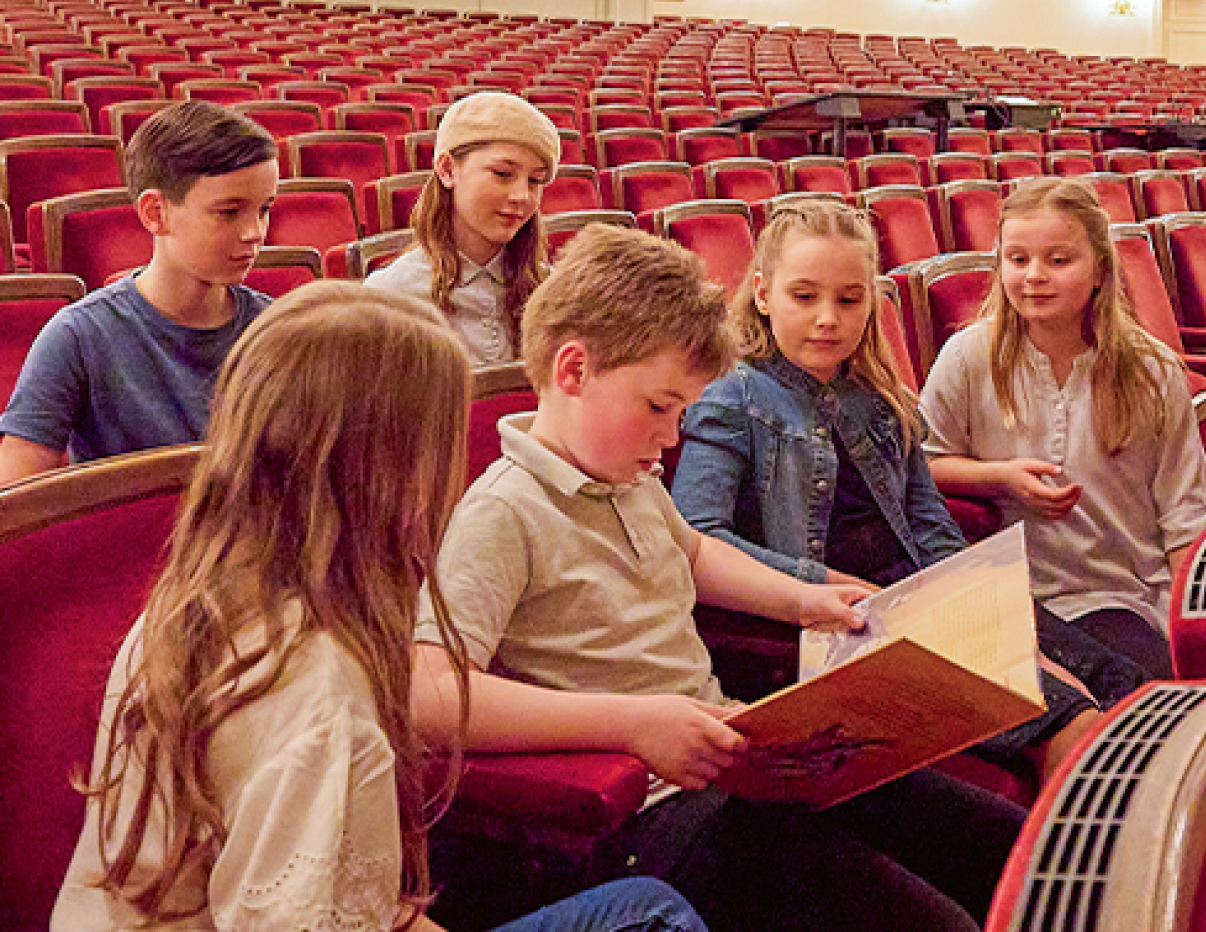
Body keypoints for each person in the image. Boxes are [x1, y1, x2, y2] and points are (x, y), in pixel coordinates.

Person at [411, 224, 1027, 932]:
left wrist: (806, 598)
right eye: (657, 407)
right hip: (643, 812)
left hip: (735, 760)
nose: (670, 438)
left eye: (678, 412)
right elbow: (428, 694)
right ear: (573, 371)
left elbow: (696, 556)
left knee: (1002, 844)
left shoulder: (627, 475)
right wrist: (633, 721)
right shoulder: (503, 511)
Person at [54, 280, 708, 932]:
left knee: (644, 907)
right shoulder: (319, 691)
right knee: (652, 916)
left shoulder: (191, 599)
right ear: (392, 472)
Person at [671, 196, 1114, 781]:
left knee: (1118, 684)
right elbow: (696, 537)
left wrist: (986, 611)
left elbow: (930, 525)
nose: (828, 317)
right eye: (804, 297)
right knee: (1071, 720)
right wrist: (819, 582)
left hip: (920, 600)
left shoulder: (877, 399)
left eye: (849, 299)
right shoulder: (733, 398)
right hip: (833, 624)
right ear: (761, 294)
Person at [919, 177, 1206, 681]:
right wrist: (999, 478)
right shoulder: (968, 356)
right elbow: (921, 466)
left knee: (1151, 707)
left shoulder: (1153, 369)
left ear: (1100, 270)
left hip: (1120, 596)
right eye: (1017, 260)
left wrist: (1189, 629)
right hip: (1010, 599)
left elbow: (1185, 516)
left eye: (1058, 261)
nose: (1034, 276)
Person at [0, 100, 279, 486]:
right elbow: (19, 501)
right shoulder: (78, 337)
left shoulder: (276, 331)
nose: (255, 232)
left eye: (264, 209)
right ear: (155, 213)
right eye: (229, 212)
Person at [366, 90, 562, 365]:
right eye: (503, 174)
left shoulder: (552, 293)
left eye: (535, 180)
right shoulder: (390, 298)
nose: (522, 196)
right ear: (447, 170)